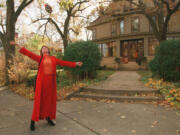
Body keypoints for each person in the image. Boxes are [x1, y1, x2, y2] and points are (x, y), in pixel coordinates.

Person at [10, 41, 83, 131]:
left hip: (51, 84)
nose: (44, 48)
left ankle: (48, 118)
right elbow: (28, 53)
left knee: (49, 101)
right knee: (38, 102)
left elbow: (63, 63)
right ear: (41, 51)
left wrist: (75, 64)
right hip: (42, 84)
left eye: (45, 48)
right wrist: (18, 45)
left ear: (48, 50)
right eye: (42, 48)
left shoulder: (53, 59)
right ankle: (33, 121)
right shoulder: (39, 58)